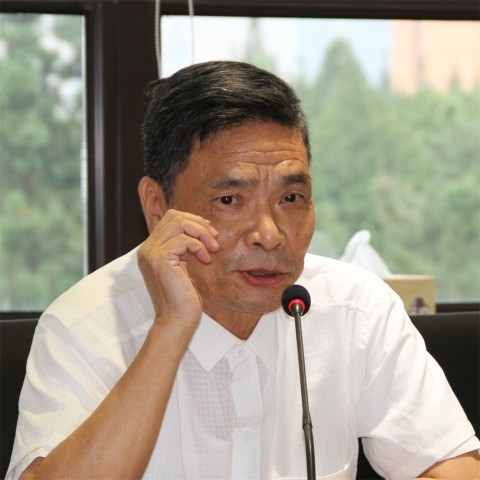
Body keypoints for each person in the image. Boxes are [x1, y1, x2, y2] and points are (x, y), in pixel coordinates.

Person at [7, 61, 479, 480]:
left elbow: (454, 465)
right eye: (230, 200)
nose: (269, 234)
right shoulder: (86, 326)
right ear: (157, 206)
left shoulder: (357, 309)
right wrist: (170, 329)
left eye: (291, 198)